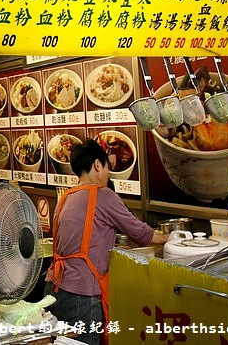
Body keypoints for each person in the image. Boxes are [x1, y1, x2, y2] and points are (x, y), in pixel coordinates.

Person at [44, 139, 168, 345]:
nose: (108, 173)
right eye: (107, 167)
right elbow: (141, 234)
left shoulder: (66, 197)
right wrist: (169, 237)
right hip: (82, 294)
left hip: (56, 288)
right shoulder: (103, 195)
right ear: (97, 165)